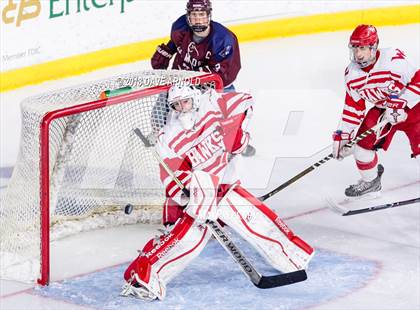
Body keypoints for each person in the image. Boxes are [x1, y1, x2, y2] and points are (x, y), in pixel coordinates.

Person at [120, 84, 314, 301]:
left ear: (195, 98)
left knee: (255, 218)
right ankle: (145, 276)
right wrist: (187, 190)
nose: (182, 109)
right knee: (191, 237)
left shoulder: (214, 105)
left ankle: (293, 256)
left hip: (224, 182)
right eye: (175, 105)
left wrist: (236, 136)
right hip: (202, 191)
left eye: (185, 102)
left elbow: (245, 102)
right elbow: (169, 175)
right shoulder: (171, 136)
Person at [150, 0, 256, 156]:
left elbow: (223, 75)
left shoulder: (223, 39)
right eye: (194, 15)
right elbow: (175, 43)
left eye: (201, 14)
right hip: (181, 80)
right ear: (188, 17)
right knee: (159, 115)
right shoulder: (180, 27)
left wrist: (197, 82)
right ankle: (160, 138)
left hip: (211, 84)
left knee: (228, 113)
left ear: (208, 16)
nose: (198, 19)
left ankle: (234, 141)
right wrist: (167, 51)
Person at [332, 24, 419, 197]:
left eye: (362, 48)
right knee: (361, 148)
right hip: (383, 111)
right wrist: (344, 134)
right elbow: (353, 108)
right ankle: (371, 183)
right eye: (355, 48)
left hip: (415, 109)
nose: (358, 54)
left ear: (373, 47)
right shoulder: (352, 74)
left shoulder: (393, 60)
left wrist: (404, 102)